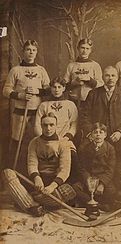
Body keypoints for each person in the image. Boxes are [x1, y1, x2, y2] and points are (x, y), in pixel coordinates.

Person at [2, 113, 76, 216]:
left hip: (54, 181)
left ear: (56, 126)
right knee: (7, 173)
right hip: (37, 181)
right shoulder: (34, 142)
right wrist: (37, 178)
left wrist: (52, 186)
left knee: (67, 190)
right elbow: (32, 164)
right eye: (45, 125)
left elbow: (65, 170)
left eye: (51, 125)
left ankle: (29, 203)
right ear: (41, 126)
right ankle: (34, 204)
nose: (48, 128)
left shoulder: (63, 143)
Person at [3, 40, 50, 168]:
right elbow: (6, 90)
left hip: (37, 111)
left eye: (33, 50)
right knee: (16, 140)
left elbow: (48, 90)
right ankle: (12, 168)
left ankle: (40, 169)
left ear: (36, 52)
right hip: (20, 110)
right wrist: (20, 95)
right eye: (28, 50)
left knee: (40, 139)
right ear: (23, 51)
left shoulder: (41, 70)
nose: (31, 52)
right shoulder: (16, 70)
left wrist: (36, 91)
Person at [80, 66, 121, 154]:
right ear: (102, 77)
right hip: (97, 134)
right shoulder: (93, 94)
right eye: (107, 75)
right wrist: (92, 132)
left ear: (117, 78)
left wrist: (120, 132)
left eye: (113, 75)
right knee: (83, 148)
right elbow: (84, 116)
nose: (110, 78)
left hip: (117, 134)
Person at [72, 122, 116, 212]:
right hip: (90, 178)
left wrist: (102, 184)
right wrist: (88, 180)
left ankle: (91, 202)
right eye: (95, 132)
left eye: (101, 132)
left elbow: (110, 170)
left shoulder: (110, 148)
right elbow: (82, 168)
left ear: (105, 135)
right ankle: (98, 205)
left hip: (102, 179)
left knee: (112, 191)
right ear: (91, 135)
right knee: (75, 188)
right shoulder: (85, 148)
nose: (98, 135)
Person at [34, 77, 78, 144]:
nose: (56, 90)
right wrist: (43, 138)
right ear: (51, 88)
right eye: (54, 87)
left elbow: (74, 123)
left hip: (65, 140)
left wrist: (67, 137)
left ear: (64, 88)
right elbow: (37, 124)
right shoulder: (44, 105)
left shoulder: (70, 104)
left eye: (59, 87)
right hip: (46, 140)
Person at [64, 38, 103, 107]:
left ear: (90, 50)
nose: (84, 51)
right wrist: (73, 83)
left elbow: (101, 85)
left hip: (90, 101)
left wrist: (90, 80)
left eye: (87, 49)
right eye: (82, 48)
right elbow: (63, 86)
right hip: (74, 101)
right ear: (78, 48)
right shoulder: (71, 65)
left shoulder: (95, 65)